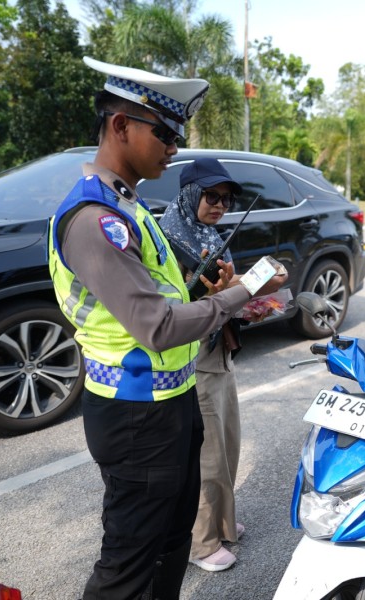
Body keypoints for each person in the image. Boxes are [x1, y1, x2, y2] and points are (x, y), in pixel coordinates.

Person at [48, 57, 286, 599]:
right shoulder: (94, 219)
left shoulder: (130, 208)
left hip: (172, 402)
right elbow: (155, 326)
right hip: (134, 416)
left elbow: (166, 293)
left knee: (171, 547)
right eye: (164, 133)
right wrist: (244, 289)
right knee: (129, 565)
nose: (174, 148)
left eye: (177, 134)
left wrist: (212, 289)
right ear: (120, 126)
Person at [158, 158, 250, 572]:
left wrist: (250, 298)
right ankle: (201, 542)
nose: (220, 206)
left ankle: (223, 523)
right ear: (190, 193)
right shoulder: (168, 240)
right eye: (211, 196)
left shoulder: (208, 237)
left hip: (219, 352)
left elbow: (223, 295)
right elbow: (170, 310)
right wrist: (221, 296)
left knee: (228, 444)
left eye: (226, 200)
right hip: (191, 359)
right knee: (206, 456)